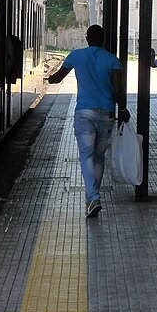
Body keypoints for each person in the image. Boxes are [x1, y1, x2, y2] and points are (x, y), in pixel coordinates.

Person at [47, 24, 130, 218]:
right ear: (103, 39)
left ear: (86, 38)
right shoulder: (112, 60)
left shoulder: (76, 56)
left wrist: (49, 79)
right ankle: (94, 196)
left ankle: (93, 197)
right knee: (99, 156)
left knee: (86, 155)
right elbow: (119, 90)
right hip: (107, 113)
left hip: (85, 113)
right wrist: (123, 109)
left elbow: (58, 78)